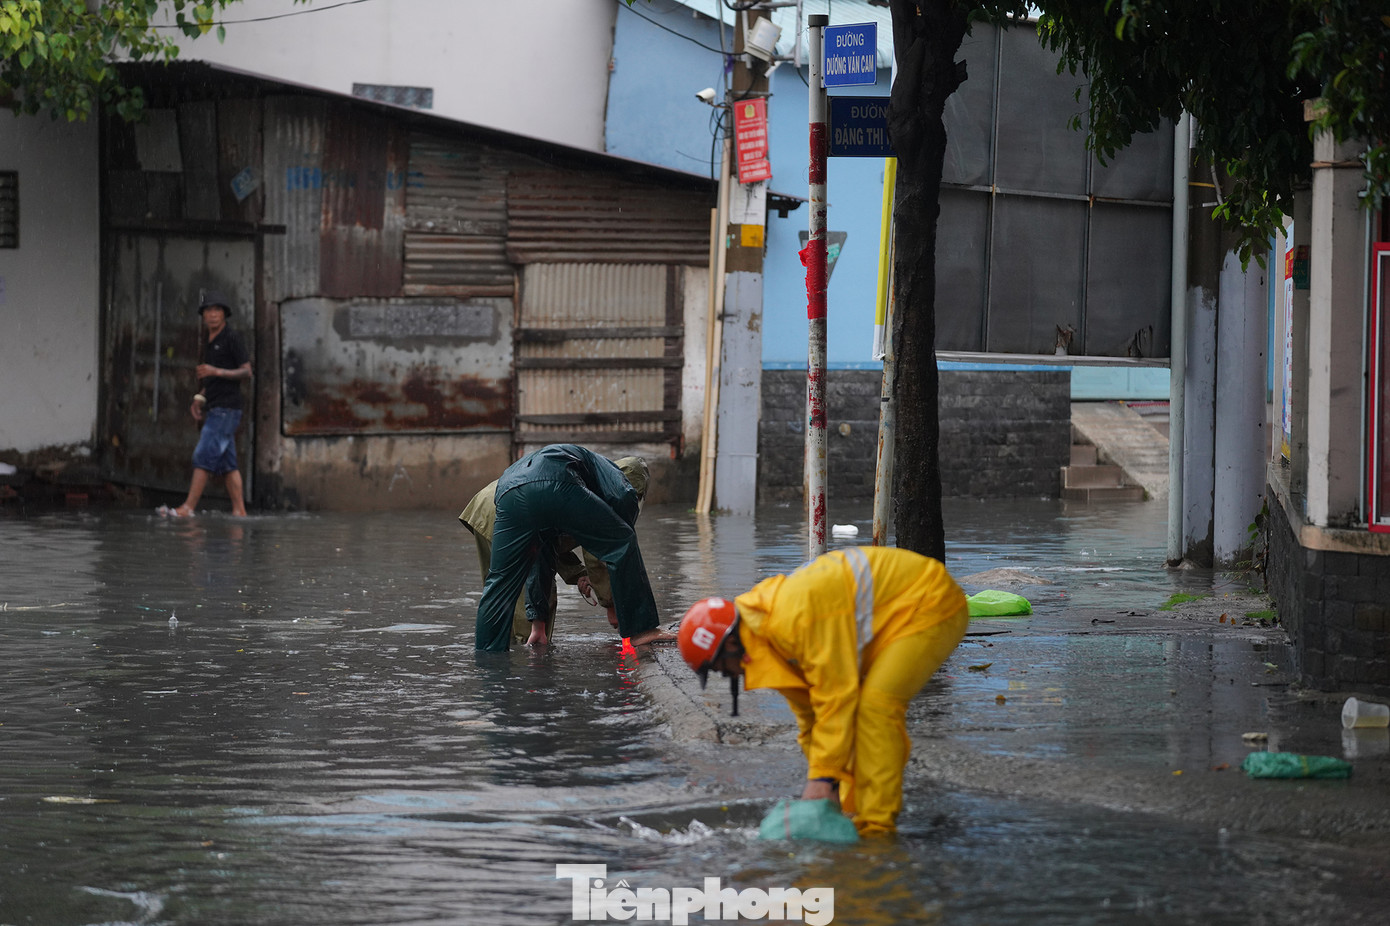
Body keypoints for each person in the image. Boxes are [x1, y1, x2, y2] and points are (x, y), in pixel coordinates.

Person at [676, 546, 969, 836]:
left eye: (719, 669)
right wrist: (829, 787)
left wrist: (821, 779)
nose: (727, 676)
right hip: (896, 613)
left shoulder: (793, 618)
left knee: (876, 707)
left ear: (729, 645)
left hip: (929, 600)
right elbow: (811, 718)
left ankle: (876, 830)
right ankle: (854, 810)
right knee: (852, 719)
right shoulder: (765, 637)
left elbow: (836, 698)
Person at [474, 444, 676, 652]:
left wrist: (538, 623)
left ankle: (487, 656)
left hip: (508, 490)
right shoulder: (620, 482)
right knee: (623, 541)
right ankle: (642, 631)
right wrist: (612, 604)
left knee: (500, 583)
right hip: (554, 479)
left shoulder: (589, 467)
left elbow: (541, 554)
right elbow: (610, 546)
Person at [163, 290, 252, 517]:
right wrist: (200, 397)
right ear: (203, 316)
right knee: (227, 464)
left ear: (225, 314)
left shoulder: (231, 338)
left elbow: (246, 371)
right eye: (208, 311)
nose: (212, 315)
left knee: (203, 455)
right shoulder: (209, 341)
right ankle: (239, 511)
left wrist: (216, 371)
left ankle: (188, 508)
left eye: (217, 310)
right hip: (214, 406)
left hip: (227, 409)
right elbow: (211, 380)